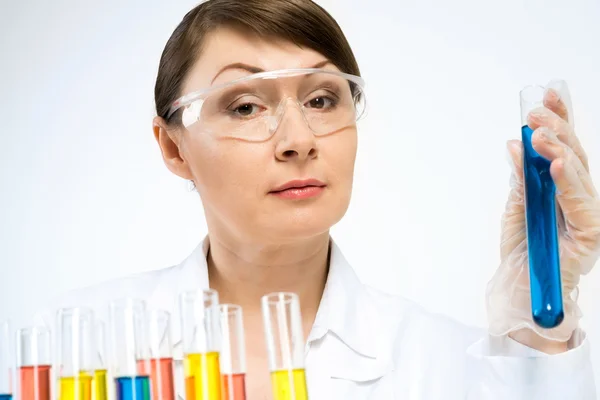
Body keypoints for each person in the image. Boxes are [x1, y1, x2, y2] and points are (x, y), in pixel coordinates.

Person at [31, 0, 600, 399]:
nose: (299, 140)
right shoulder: (73, 351)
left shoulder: (450, 365)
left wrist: (538, 335)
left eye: (324, 98)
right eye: (245, 106)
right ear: (173, 147)